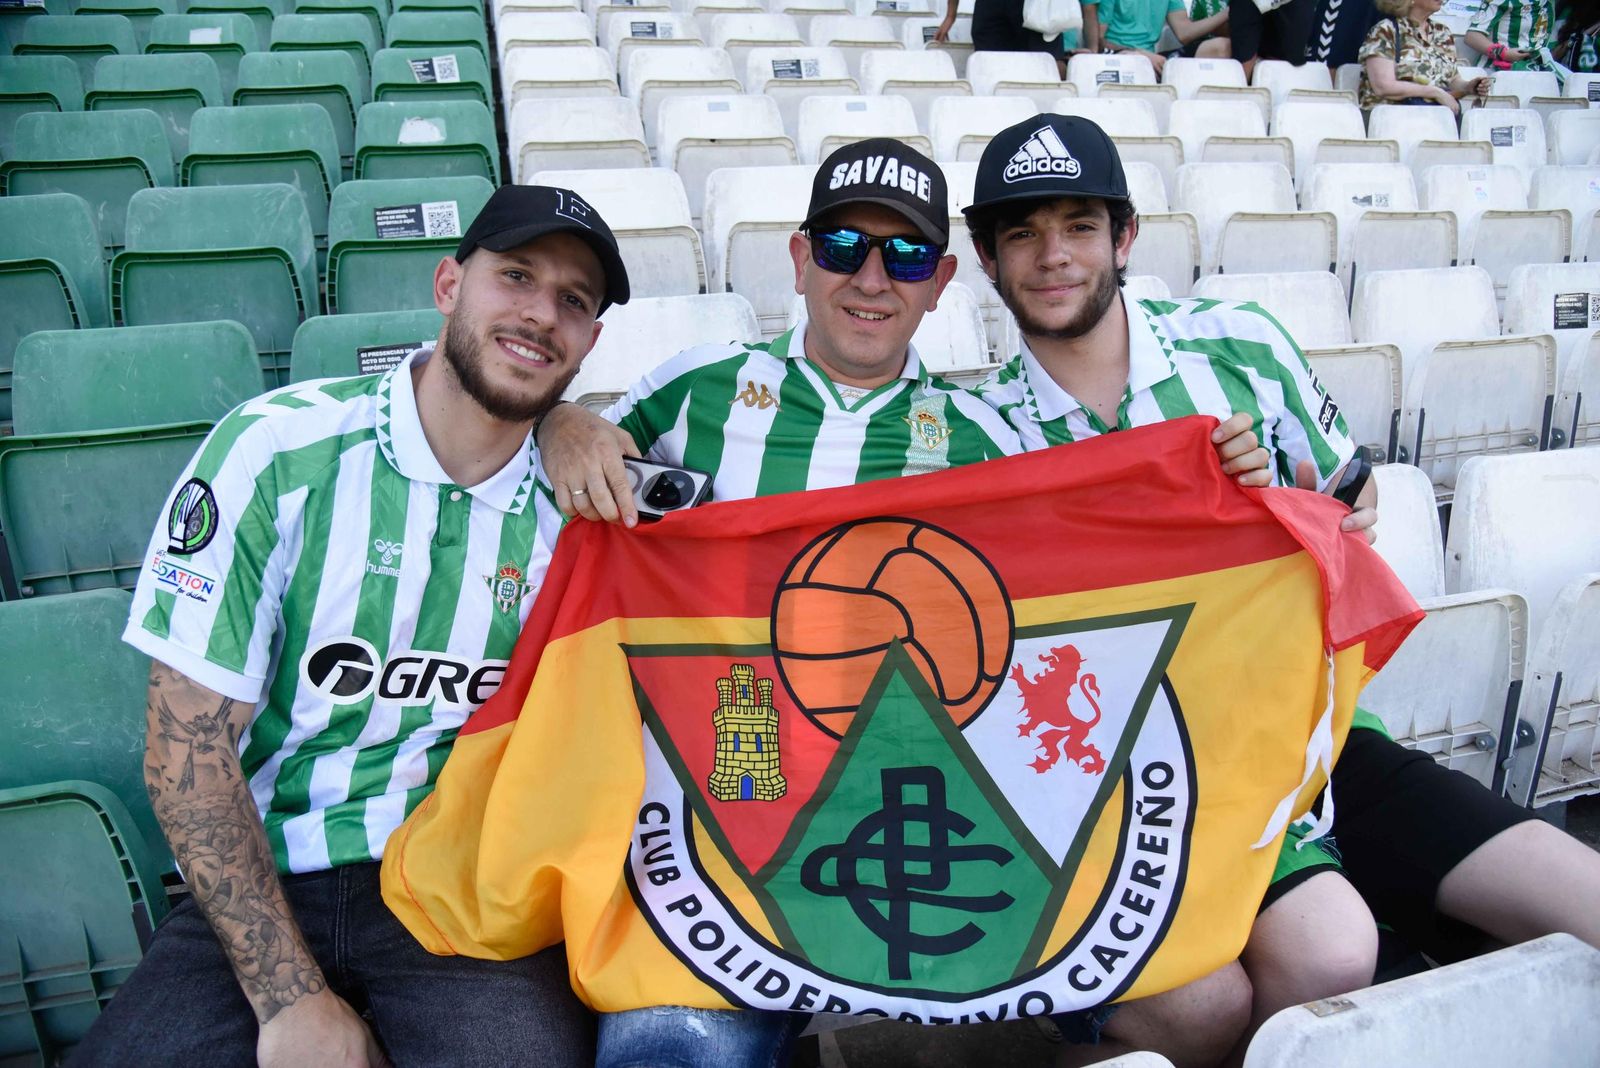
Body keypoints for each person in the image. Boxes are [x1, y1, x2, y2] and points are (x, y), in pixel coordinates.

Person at [534, 138, 1287, 1068]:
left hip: (925, 807)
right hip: (734, 802)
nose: (872, 279)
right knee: (671, 1058)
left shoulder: (989, 442)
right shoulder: (696, 393)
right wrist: (557, 423)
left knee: (1207, 1007)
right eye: (844, 248)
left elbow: (1112, 588)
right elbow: (563, 494)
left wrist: (1233, 493)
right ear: (801, 260)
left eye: (906, 257)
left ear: (941, 284)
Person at [959, 111, 1600, 1053]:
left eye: (1080, 226)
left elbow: (1354, 497)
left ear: (1125, 237)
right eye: (1022, 233)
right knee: (1327, 954)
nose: (1054, 256)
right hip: (1137, 770)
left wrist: (1286, 503)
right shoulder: (977, 433)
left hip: (1311, 730)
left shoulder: (1240, 344)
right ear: (987, 256)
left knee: (1583, 895)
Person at [70, 185, 631, 1068]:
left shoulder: (583, 513)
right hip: (262, 875)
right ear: (448, 284)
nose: (539, 314)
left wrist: (567, 417)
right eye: (517, 276)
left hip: (463, 893)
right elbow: (186, 750)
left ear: (590, 341)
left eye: (573, 300)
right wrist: (291, 1001)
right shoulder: (274, 450)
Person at [1358, 0, 1492, 111]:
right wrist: (1434, 92)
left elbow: (1452, 80)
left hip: (1437, 119)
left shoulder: (1442, 32)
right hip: (1393, 119)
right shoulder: (1386, 30)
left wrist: (1468, 87)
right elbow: (1383, 86)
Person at [935, 0, 1078, 76]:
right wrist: (951, 14)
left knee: (1048, 66)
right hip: (991, 7)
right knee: (988, 68)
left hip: (1036, 5)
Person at [1084, 0, 1230, 74]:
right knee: (1134, 58)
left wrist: (1229, 11)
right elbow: (1100, 41)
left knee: (1220, 47)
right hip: (1115, 56)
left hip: (1153, 59)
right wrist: (1141, 54)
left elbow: (1184, 32)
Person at [1464, 0, 1556, 68]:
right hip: (1498, 71)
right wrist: (1503, 53)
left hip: (1537, 71)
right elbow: (1472, 36)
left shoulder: (1548, 3)